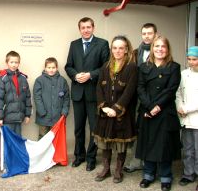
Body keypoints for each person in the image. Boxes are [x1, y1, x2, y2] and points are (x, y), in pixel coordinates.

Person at [135, 36, 181, 191]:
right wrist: (149, 107)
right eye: (157, 46)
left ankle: (166, 176)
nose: (160, 49)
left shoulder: (174, 67)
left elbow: (171, 90)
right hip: (147, 111)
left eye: (163, 46)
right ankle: (148, 175)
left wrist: (157, 107)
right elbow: (140, 88)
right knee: (148, 143)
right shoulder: (143, 67)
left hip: (165, 111)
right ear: (152, 48)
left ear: (167, 49)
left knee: (164, 146)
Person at [65, 17, 110, 171]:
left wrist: (90, 75)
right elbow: (68, 66)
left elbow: (106, 67)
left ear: (93, 28)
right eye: (83, 27)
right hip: (78, 92)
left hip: (94, 93)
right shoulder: (74, 44)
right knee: (78, 128)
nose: (86, 30)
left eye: (88, 27)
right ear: (80, 29)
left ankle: (91, 158)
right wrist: (75, 75)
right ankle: (79, 156)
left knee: (93, 128)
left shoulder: (102, 44)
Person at [93, 36, 137, 183]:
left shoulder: (131, 67)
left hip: (122, 113)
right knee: (106, 142)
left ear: (126, 50)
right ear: (111, 50)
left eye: (121, 48)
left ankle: (118, 171)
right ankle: (106, 169)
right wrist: (104, 107)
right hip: (105, 113)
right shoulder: (105, 66)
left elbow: (129, 91)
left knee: (120, 144)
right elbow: (99, 87)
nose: (117, 51)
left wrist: (116, 109)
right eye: (115, 48)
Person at [124, 23, 158, 173]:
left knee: (152, 130)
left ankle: (151, 162)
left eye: (149, 33)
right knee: (137, 129)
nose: (146, 36)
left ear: (155, 34)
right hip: (136, 97)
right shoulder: (135, 53)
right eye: (144, 33)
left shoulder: (159, 51)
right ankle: (136, 160)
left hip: (152, 98)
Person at [0, 51, 32, 135]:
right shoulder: (2, 77)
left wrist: (27, 115)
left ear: (19, 63)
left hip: (19, 118)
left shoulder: (23, 78)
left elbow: (28, 98)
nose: (14, 64)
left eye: (16, 62)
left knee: (17, 142)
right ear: (7, 63)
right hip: (6, 118)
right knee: (7, 143)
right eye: (11, 62)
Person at [176, 46, 198, 187]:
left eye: (194, 59)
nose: (191, 62)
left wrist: (187, 109)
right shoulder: (183, 74)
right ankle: (188, 174)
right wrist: (179, 107)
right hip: (185, 119)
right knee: (188, 149)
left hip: (195, 117)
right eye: (189, 59)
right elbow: (178, 92)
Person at [33, 57, 70, 139]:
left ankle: (54, 153)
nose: (51, 70)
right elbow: (37, 97)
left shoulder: (62, 81)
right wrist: (41, 111)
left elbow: (66, 98)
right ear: (45, 68)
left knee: (56, 138)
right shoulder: (39, 80)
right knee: (43, 137)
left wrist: (64, 112)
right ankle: (42, 152)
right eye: (49, 67)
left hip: (58, 117)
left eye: (53, 67)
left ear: (57, 68)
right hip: (43, 117)